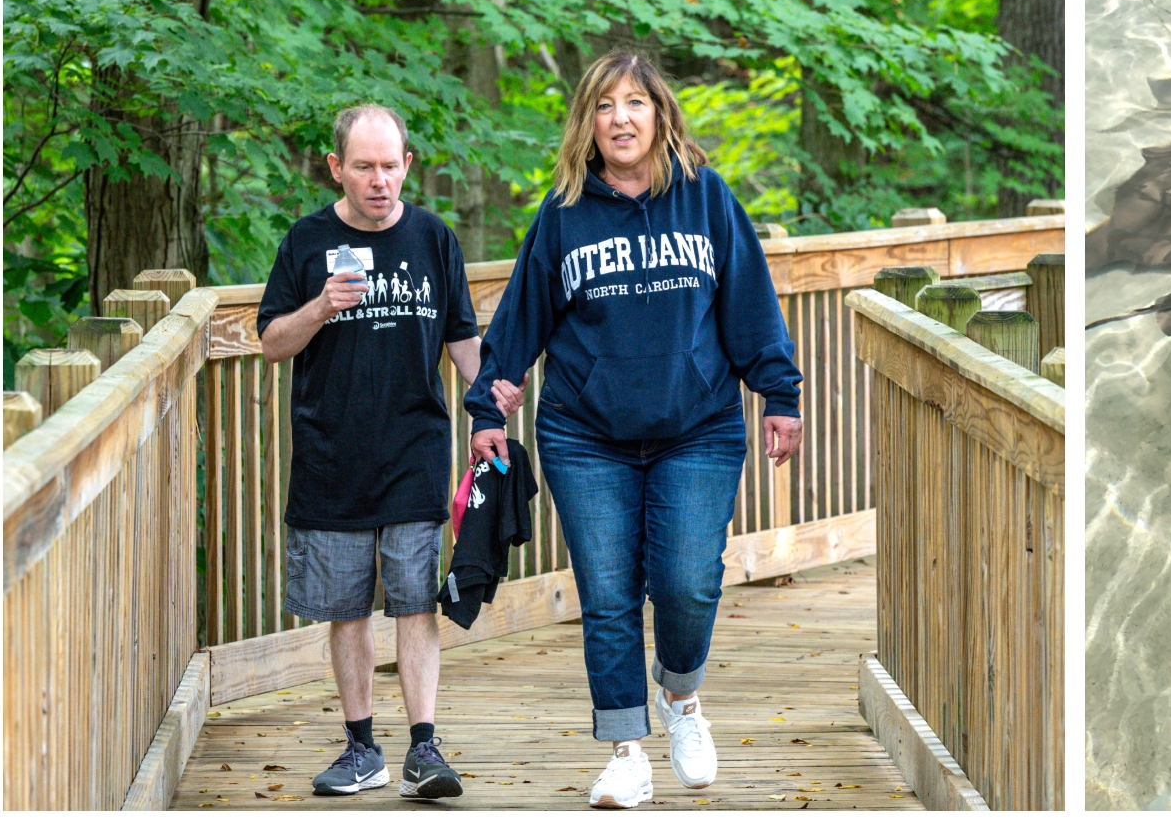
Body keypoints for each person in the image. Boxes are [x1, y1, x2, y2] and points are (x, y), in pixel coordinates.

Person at [464, 50, 804, 809]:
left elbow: (750, 305)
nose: (621, 118)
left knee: (687, 582)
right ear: (587, 122)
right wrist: (491, 406)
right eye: (605, 105)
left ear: (661, 116)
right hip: (585, 436)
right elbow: (519, 323)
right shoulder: (561, 216)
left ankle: (680, 700)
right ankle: (625, 750)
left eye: (635, 104)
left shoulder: (707, 199)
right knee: (610, 593)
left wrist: (778, 394)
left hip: (699, 426)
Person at [253, 104, 479, 800]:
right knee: (346, 609)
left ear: (408, 164)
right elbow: (270, 342)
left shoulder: (434, 237)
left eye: (390, 165)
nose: (379, 181)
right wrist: (319, 307)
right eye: (364, 167)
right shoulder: (307, 241)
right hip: (332, 455)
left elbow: (462, 335)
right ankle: (361, 749)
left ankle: (423, 749)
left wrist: (494, 394)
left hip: (414, 447)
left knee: (416, 601)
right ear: (336, 168)